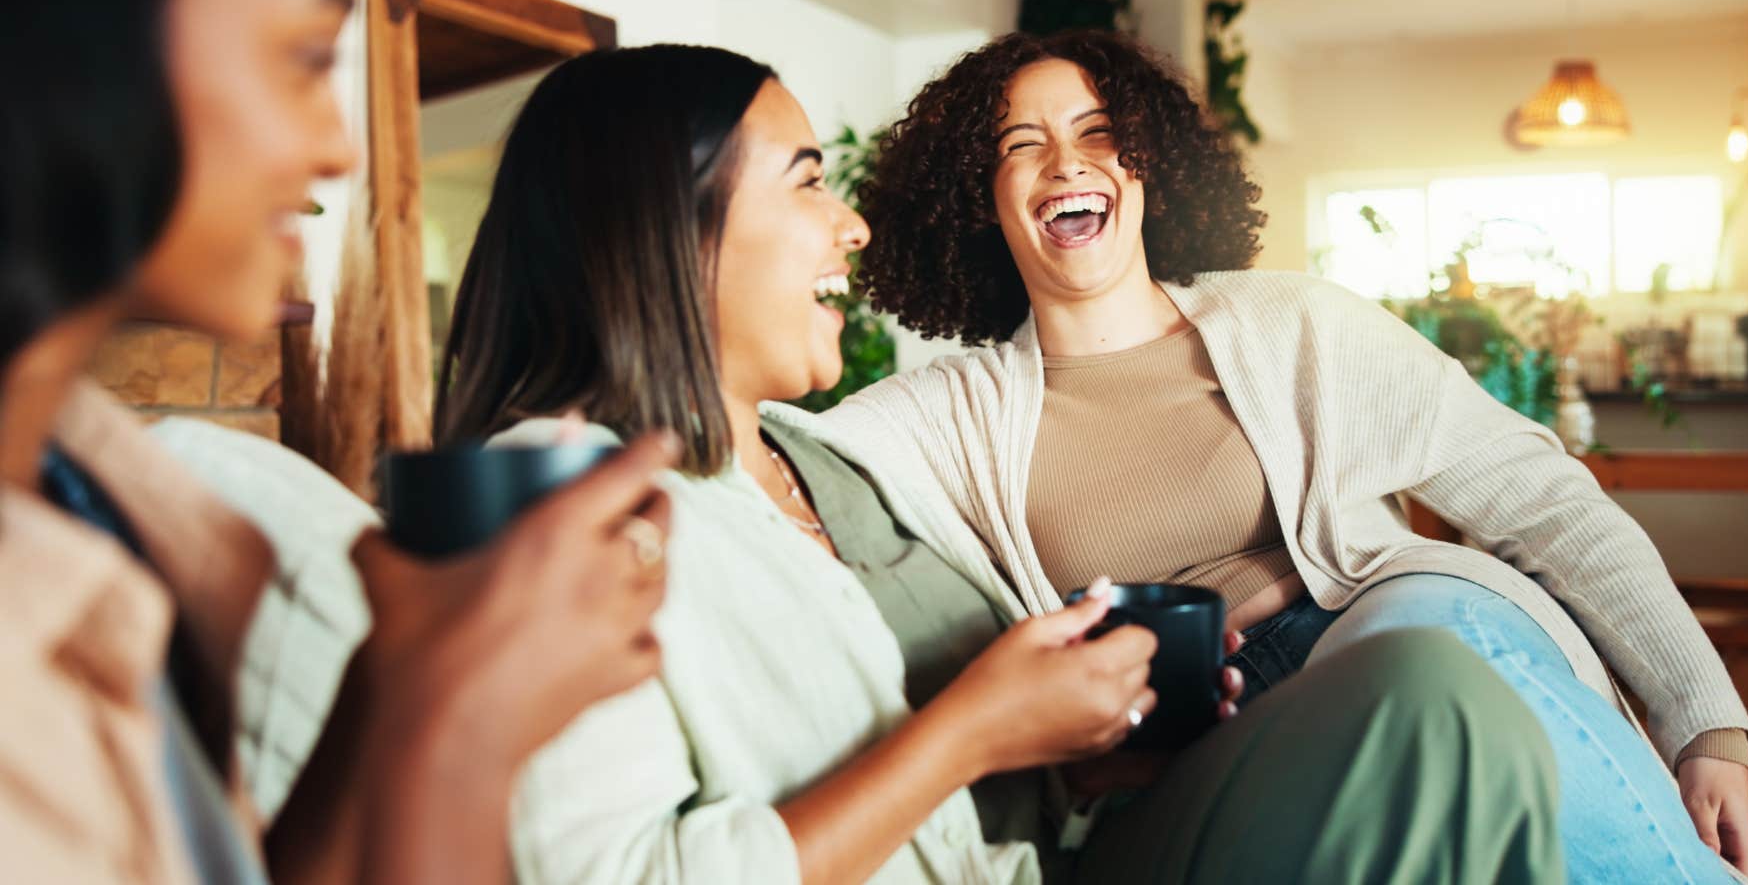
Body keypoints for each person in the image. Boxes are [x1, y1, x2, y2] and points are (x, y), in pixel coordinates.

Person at [438, 44, 1565, 884]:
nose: (851, 226)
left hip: (1069, 841)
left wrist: (1072, 758)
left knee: (1432, 679)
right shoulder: (546, 505)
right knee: (1434, 701)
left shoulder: (818, 459)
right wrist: (974, 731)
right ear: (664, 226)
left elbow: (1535, 490)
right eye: (808, 181)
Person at [831, 29, 1748, 883]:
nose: (1067, 162)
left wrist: (1705, 723)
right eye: (1019, 144)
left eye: (1099, 131)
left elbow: (1540, 498)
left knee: (1429, 642)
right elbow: (786, 464)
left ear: (1149, 164)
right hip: (1211, 747)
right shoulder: (951, 414)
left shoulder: (1296, 324)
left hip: (1385, 629)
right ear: (980, 199)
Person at [0, 0, 674, 882]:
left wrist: (393, 685)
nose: (338, 148)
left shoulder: (90, 492)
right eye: (309, 57)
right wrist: (464, 726)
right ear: (78, 31)